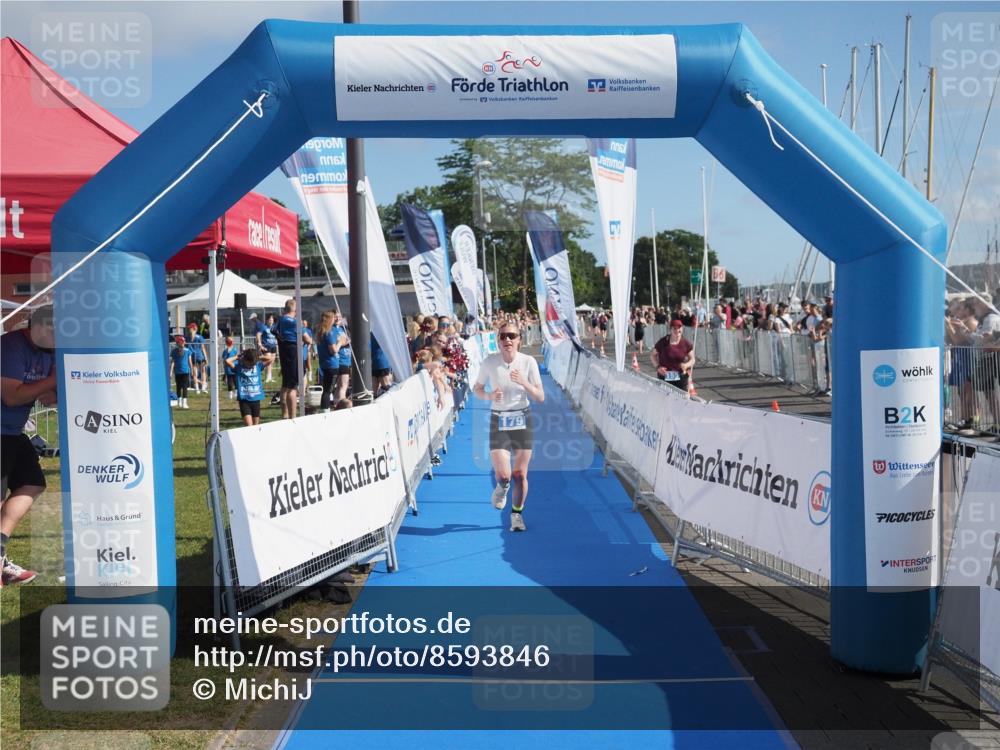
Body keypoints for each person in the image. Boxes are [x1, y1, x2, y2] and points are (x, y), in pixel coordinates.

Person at [0, 307, 56, 586]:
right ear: (39, 328)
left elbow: (49, 396)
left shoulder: (49, 351)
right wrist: (52, 381)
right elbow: (12, 396)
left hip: (11, 432)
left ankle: (0, 556)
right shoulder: (10, 346)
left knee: (32, 482)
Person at [472, 322, 544, 533]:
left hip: (522, 419)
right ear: (498, 340)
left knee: (519, 474)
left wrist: (524, 382)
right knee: (504, 476)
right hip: (499, 420)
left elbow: (540, 396)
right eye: (503, 336)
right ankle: (502, 487)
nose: (507, 340)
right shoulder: (490, 362)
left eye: (512, 335)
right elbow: (477, 388)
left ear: (519, 339)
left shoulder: (528, 362)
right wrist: (489, 396)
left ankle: (516, 515)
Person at [276, 299, 312, 419]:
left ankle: (285, 414)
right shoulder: (295, 322)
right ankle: (293, 416)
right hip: (293, 354)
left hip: (284, 353)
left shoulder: (280, 320)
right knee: (292, 387)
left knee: (285, 385)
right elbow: (308, 339)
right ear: (295, 310)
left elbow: (274, 331)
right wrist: (306, 340)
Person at [226, 348, 275, 426]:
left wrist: (258, 357)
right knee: (249, 426)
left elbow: (271, 359)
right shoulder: (238, 367)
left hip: (256, 400)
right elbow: (227, 361)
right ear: (245, 360)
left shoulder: (258, 366)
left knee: (255, 426)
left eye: (253, 363)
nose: (252, 365)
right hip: (244, 401)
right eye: (250, 363)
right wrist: (237, 356)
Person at [651, 320, 695, 392]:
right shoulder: (663, 342)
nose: (677, 330)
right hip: (665, 377)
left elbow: (692, 359)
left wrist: (686, 365)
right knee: (665, 397)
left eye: (679, 328)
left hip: (681, 378)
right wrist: (658, 367)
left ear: (682, 329)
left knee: (682, 398)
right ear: (670, 329)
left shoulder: (686, 343)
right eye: (674, 328)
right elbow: (653, 355)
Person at [316, 311, 345, 411]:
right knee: (328, 390)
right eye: (333, 318)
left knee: (327, 389)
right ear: (329, 319)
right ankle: (325, 410)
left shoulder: (321, 331)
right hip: (331, 364)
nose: (335, 319)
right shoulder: (329, 333)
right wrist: (340, 342)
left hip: (325, 364)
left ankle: (325, 409)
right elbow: (333, 350)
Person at [169, 335, 194, 408]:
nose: (184, 342)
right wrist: (171, 372)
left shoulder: (187, 351)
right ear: (179, 343)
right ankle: (180, 401)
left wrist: (192, 370)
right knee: (180, 387)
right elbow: (173, 362)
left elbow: (190, 361)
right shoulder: (174, 351)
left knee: (183, 387)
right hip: (178, 371)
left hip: (185, 371)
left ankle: (184, 402)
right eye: (183, 341)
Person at [187, 322, 206, 393]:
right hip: (195, 356)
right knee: (196, 372)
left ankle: (202, 386)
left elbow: (202, 347)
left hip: (198, 356)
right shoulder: (189, 337)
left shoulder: (197, 337)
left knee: (202, 371)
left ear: (194, 328)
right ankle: (198, 387)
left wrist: (205, 357)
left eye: (190, 328)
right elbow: (202, 347)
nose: (189, 329)